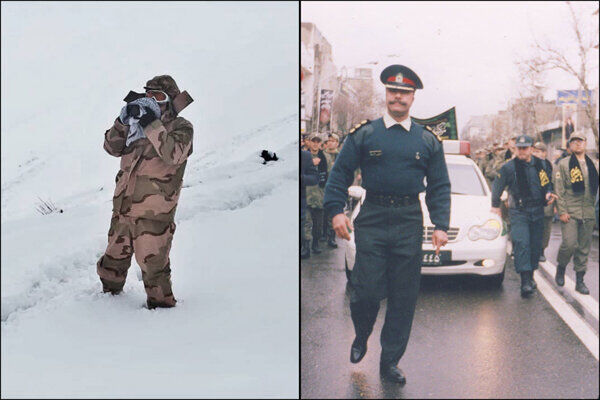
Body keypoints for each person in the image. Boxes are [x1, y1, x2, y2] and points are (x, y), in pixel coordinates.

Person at [324, 64, 451, 385]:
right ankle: (361, 333)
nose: (398, 97)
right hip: (374, 217)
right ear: (386, 94)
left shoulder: (427, 141)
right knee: (365, 291)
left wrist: (440, 224)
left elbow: (439, 185)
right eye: (393, 91)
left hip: (409, 218)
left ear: (413, 98)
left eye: (404, 92)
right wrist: (336, 210)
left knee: (403, 296)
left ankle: (390, 361)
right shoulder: (365, 135)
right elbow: (339, 174)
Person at [97, 75, 193, 309]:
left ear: (170, 101)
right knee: (112, 261)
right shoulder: (134, 126)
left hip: (154, 214)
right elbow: (111, 147)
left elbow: (173, 155)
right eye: (148, 95)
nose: (152, 101)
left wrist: (151, 123)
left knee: (153, 267)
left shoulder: (181, 127)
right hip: (123, 208)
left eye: (158, 97)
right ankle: (106, 301)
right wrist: (122, 121)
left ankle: (162, 314)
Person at [491, 135, 556, 297]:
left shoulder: (540, 165)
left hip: (537, 210)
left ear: (531, 149)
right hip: (519, 211)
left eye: (525, 148)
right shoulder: (509, 167)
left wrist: (548, 193)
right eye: (519, 148)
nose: (522, 151)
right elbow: (497, 187)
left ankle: (531, 274)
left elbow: (547, 183)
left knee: (535, 246)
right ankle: (525, 281)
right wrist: (495, 206)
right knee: (521, 243)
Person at [554, 132, 598, 294]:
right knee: (569, 244)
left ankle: (580, 280)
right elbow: (559, 189)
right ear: (570, 145)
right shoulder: (563, 164)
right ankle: (561, 267)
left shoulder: (593, 164)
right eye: (574, 142)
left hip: (588, 211)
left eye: (581, 141)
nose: (578, 144)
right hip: (570, 211)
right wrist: (562, 211)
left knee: (584, 248)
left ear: (585, 143)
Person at [303, 134, 328, 257]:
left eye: (318, 142)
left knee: (318, 224)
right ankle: (306, 247)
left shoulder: (325, 157)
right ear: (309, 142)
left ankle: (316, 243)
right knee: (306, 222)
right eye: (313, 141)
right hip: (306, 194)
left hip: (320, 195)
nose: (315, 144)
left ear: (320, 144)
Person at [532, 142, 555, 262]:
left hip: (547, 199)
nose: (536, 153)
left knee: (546, 226)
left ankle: (541, 250)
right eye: (534, 151)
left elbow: (554, 182)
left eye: (539, 151)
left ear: (544, 153)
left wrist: (553, 197)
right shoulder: (528, 164)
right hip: (533, 200)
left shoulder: (550, 165)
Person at [322, 133, 341, 248]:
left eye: (333, 141)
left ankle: (332, 237)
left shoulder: (341, 156)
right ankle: (323, 234)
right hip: (323, 186)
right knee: (323, 212)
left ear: (337, 143)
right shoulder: (322, 155)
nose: (331, 142)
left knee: (333, 212)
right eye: (329, 140)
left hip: (335, 187)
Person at [301, 148, 320, 259]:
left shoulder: (305, 156)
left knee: (307, 223)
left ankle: (306, 247)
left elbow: (315, 178)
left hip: (303, 200)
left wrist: (302, 178)